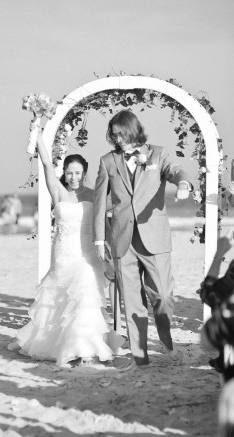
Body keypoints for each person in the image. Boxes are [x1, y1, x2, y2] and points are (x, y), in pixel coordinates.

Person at [9, 126, 124, 367]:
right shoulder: (58, 193)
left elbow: (117, 208)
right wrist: (38, 135)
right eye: (70, 173)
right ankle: (58, 345)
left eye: (78, 173)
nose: (73, 177)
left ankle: (85, 348)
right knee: (59, 300)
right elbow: (47, 166)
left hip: (87, 255)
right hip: (62, 255)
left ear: (85, 173)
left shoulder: (95, 195)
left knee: (85, 298)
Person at [93, 110, 192, 370]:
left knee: (163, 295)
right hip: (122, 240)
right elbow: (99, 202)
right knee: (132, 302)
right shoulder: (107, 161)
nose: (117, 138)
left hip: (155, 238)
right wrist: (99, 239)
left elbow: (176, 171)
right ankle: (140, 357)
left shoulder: (158, 155)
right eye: (113, 134)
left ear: (133, 130)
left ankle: (166, 337)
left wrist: (183, 185)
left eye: (121, 133)